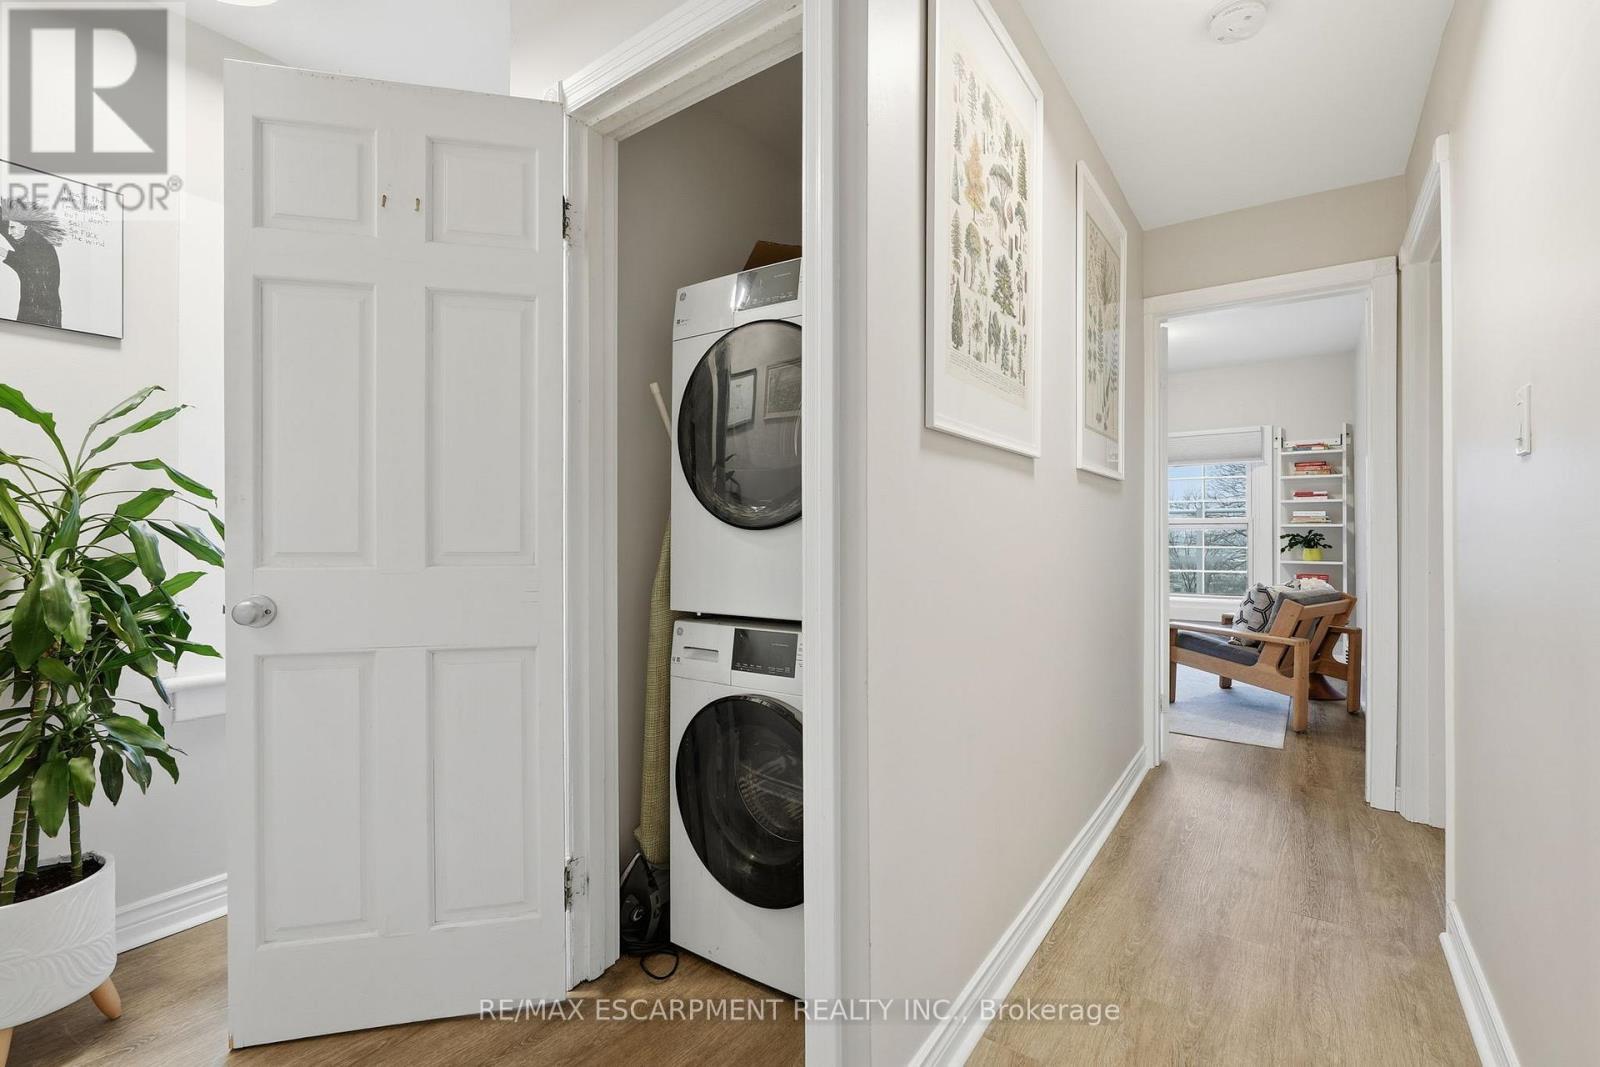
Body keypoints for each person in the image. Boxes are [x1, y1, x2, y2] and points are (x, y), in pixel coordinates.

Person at [0, 200, 64, 329]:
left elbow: (25, 263)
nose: (10, 232)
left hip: (43, 314)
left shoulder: (39, 247)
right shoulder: (26, 237)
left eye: (13, 227)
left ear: (26, 226)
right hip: (33, 308)